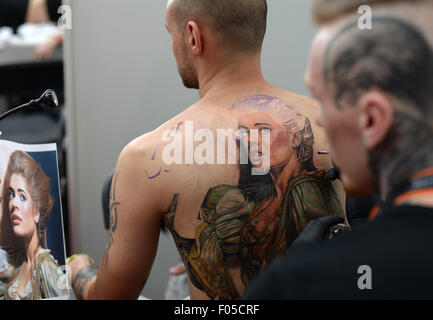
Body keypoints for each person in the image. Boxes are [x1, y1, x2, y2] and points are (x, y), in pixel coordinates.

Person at [67, 0, 345, 300]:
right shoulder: (335, 125)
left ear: (193, 37)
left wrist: (78, 270)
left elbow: (109, 299)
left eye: (170, 33)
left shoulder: (145, 157)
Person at [244, 0, 433, 300]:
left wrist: (302, 274)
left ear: (372, 119)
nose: (318, 118)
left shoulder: (298, 285)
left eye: (321, 98)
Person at [0, 150, 67, 300]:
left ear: (37, 212)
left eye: (22, 196)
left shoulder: (46, 268)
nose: (13, 204)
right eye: (11, 194)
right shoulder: (19, 262)